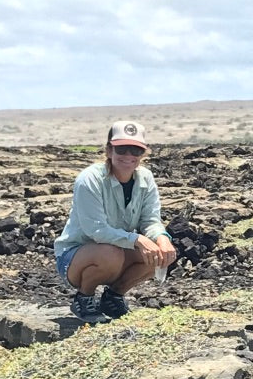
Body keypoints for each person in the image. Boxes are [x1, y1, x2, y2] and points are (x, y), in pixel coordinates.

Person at [54, 120, 177, 323]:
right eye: (122, 149)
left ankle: (113, 298)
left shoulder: (145, 179)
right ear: (109, 150)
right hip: (75, 257)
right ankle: (84, 298)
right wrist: (137, 239)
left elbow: (150, 220)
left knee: (159, 254)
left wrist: (162, 238)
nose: (128, 156)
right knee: (111, 253)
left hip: (117, 251)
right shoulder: (90, 180)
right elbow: (97, 231)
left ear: (143, 154)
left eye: (135, 150)